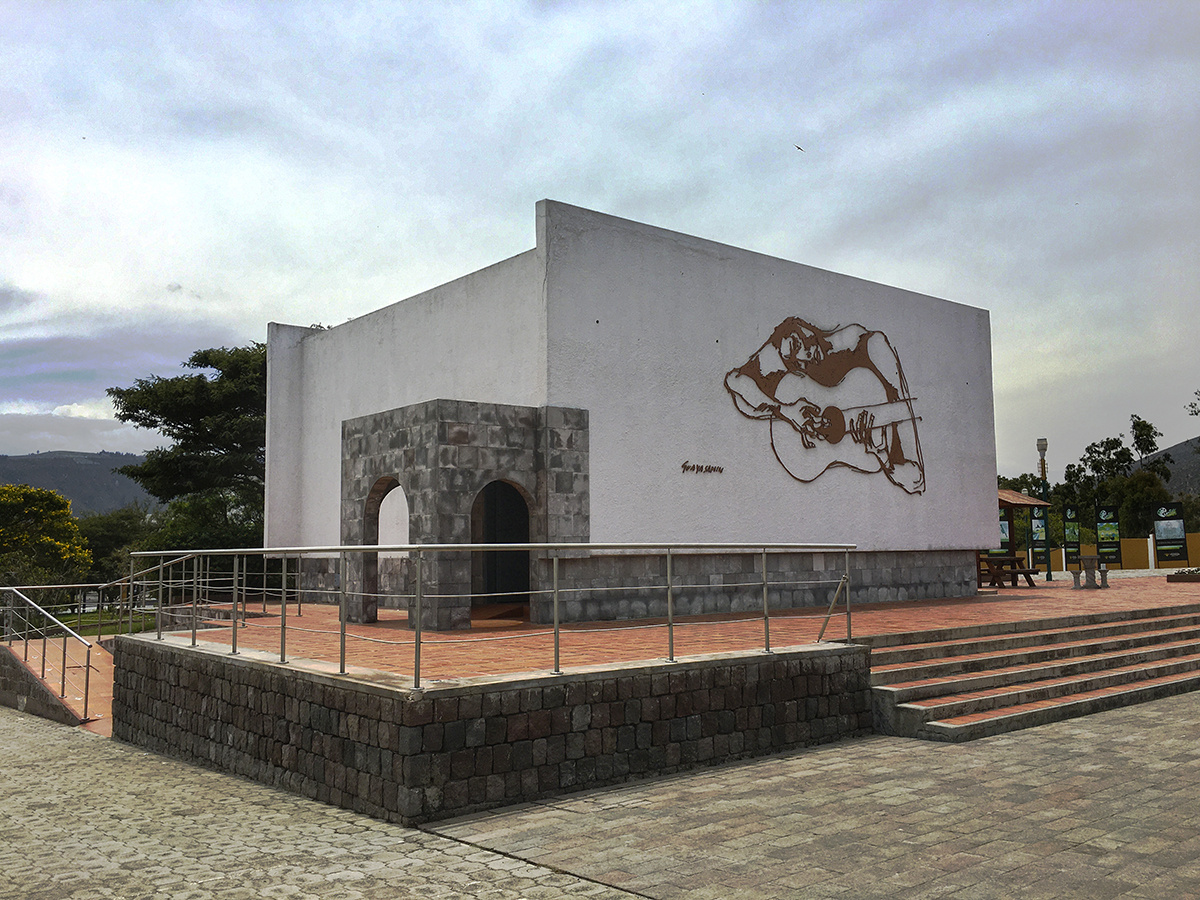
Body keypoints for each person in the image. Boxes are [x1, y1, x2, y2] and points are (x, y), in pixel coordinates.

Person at [724, 317, 925, 493]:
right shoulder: (773, 358)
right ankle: (890, 458)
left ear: (805, 328)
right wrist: (785, 411)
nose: (803, 356)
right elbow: (735, 381)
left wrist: (896, 449)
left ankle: (896, 457)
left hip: (878, 419)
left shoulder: (843, 341)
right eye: (793, 360)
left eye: (798, 344)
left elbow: (875, 342)